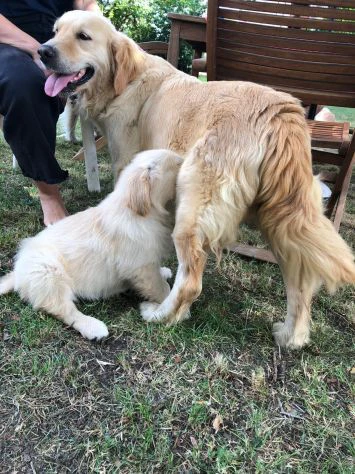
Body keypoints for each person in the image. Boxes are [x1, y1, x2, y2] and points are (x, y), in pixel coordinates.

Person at [0, 1, 100, 226]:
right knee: (24, 84)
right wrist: (38, 50)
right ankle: (49, 194)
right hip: (7, 42)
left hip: (61, 42)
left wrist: (99, 33)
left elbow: (88, 6)